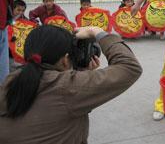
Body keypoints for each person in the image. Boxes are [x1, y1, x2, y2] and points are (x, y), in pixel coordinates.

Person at [0, 25, 142, 143]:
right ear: (65, 60)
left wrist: (80, 75)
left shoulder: (9, 82)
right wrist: (97, 32)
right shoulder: (66, 87)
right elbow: (130, 67)